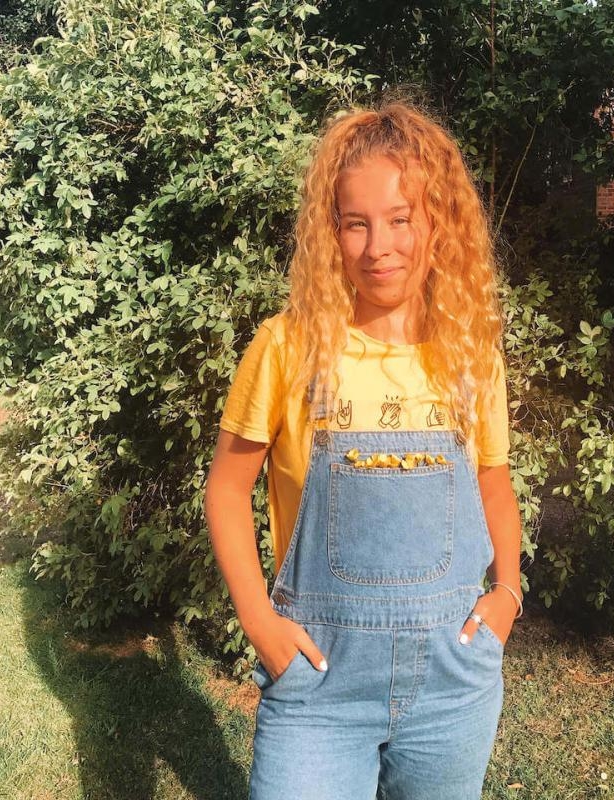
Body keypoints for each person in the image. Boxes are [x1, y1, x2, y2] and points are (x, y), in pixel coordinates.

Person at [205, 99, 524, 800]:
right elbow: (226, 489)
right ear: (332, 233)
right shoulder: (287, 348)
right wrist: (261, 622)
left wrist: (507, 593)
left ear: (438, 223)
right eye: (357, 223)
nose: (379, 245)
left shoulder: (472, 355)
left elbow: (493, 482)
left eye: (401, 218)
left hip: (453, 688)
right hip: (319, 686)